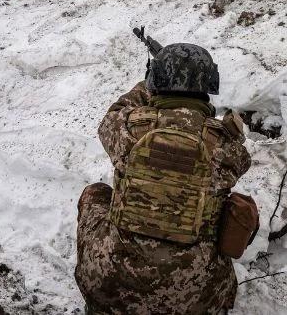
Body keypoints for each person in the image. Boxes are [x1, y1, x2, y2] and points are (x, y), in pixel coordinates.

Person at [75, 43, 255, 314]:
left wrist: (146, 84)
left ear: (155, 80)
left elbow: (111, 117)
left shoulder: (128, 126)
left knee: (96, 193)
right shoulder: (226, 146)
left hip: (112, 287)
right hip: (195, 299)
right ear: (209, 83)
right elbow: (240, 159)